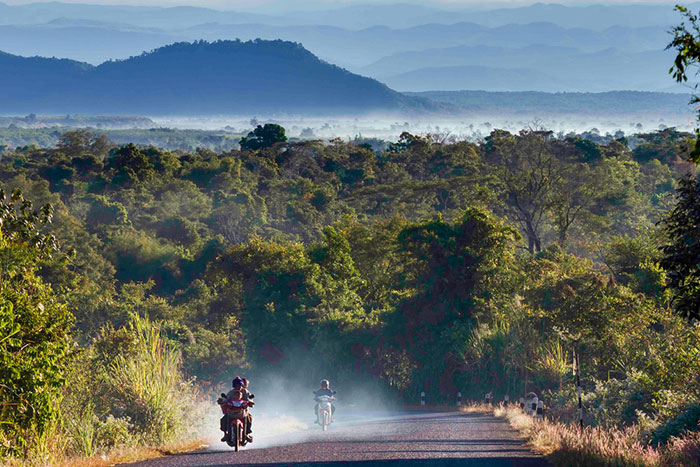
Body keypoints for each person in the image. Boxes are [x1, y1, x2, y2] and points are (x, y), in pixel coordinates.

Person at [219, 376, 254, 442]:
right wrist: (222, 401)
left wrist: (250, 402)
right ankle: (225, 434)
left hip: (243, 411)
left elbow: (250, 399)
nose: (238, 387)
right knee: (224, 419)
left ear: (242, 385)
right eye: (236, 385)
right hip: (231, 411)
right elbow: (226, 399)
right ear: (234, 386)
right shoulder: (231, 393)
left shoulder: (245, 392)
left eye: (240, 385)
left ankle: (246, 434)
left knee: (249, 418)